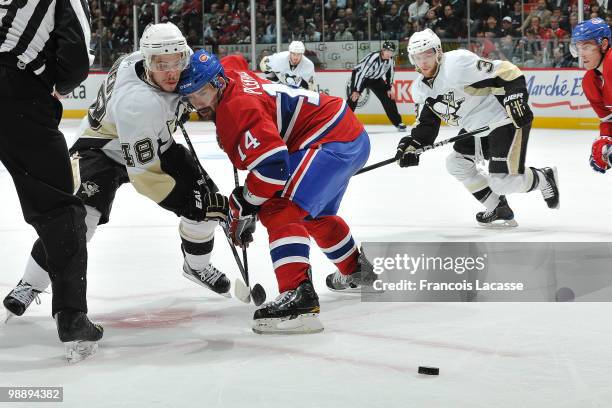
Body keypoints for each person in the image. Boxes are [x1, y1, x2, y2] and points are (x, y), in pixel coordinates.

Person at [3, 23, 231, 321]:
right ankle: (30, 283)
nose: (172, 72)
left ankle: (197, 266)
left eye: (177, 61)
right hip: (101, 150)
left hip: (154, 141)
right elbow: (145, 176)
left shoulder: (146, 60)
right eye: (162, 65)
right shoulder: (138, 104)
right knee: (78, 221)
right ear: (148, 63)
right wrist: (185, 202)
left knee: (208, 202)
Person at [178, 50, 376, 334]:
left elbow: (273, 171)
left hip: (329, 139)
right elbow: (236, 58)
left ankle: (299, 300)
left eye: (203, 93)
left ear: (219, 83)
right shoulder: (228, 73)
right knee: (311, 215)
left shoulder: (237, 111)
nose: (198, 104)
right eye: (190, 97)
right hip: (343, 132)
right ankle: (356, 270)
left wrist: (244, 204)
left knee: (280, 209)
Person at [0, 0, 102, 361]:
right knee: (61, 209)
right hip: (16, 94)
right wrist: (55, 84)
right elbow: (75, 58)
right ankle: (72, 316)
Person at [395, 29, 560, 227]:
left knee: (502, 181)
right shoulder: (420, 88)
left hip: (503, 119)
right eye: (417, 57)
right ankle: (497, 206)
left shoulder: (457, 64)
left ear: (438, 51)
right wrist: (412, 145)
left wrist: (516, 97)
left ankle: (544, 177)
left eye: (428, 54)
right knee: (456, 164)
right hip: (475, 128)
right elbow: (426, 123)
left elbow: (507, 70)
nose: (423, 62)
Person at [570, 18, 612, 174]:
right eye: (579, 47)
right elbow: (608, 119)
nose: (581, 54)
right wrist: (606, 143)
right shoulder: (590, 81)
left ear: (604, 45)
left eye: (586, 46)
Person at [348, 41, 407, 131]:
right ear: (383, 50)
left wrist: (388, 88)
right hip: (361, 76)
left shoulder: (391, 61)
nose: (389, 53)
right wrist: (356, 90)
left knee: (389, 97)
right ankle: (343, 122)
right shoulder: (373, 57)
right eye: (387, 51)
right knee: (354, 98)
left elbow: (389, 75)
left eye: (391, 52)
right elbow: (361, 74)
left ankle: (398, 122)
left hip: (376, 79)